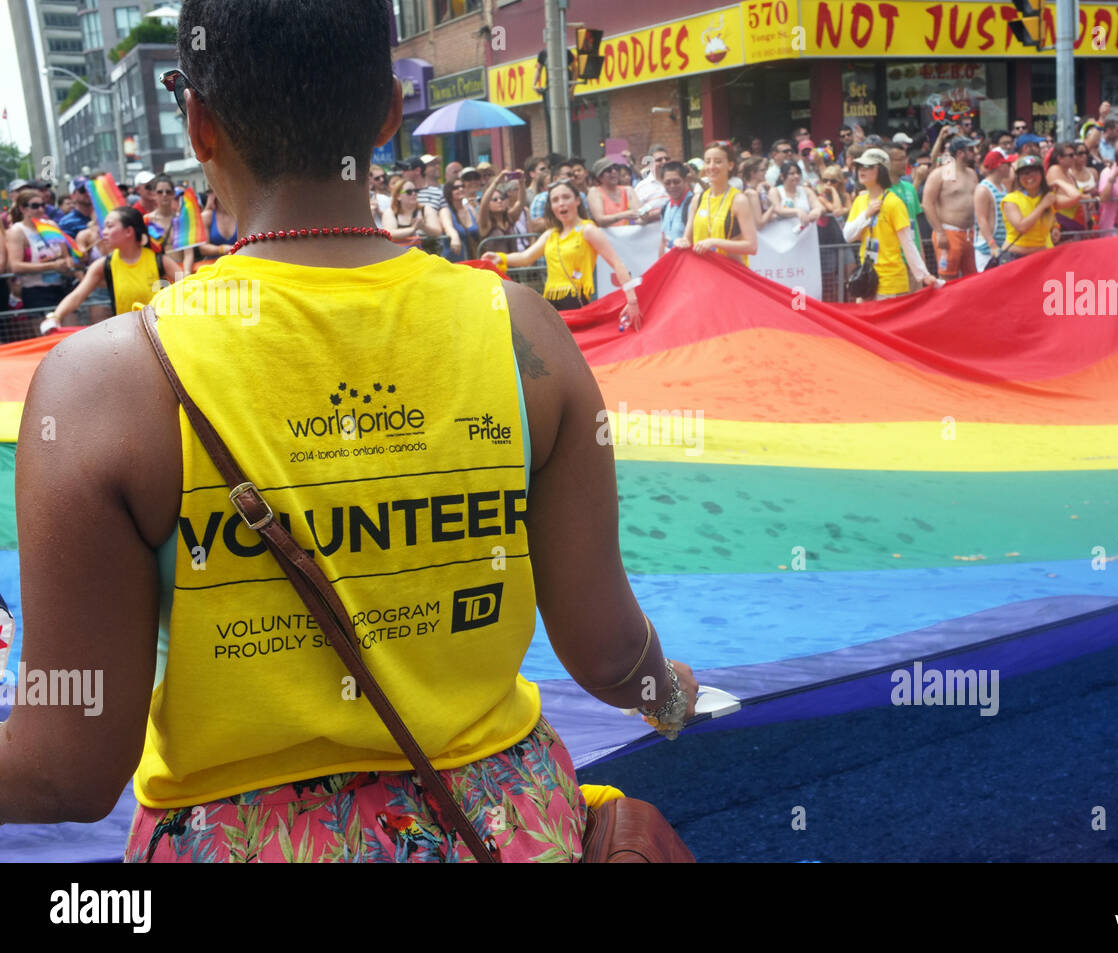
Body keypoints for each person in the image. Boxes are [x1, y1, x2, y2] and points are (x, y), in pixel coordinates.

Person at [4, 0, 699, 863]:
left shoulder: (105, 381)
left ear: (198, 122)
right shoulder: (524, 338)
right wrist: (666, 693)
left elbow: (67, 767)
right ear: (387, 111)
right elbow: (606, 650)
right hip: (505, 832)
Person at [481, 179, 641, 325]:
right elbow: (526, 257)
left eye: (566, 197)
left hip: (576, 302)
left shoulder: (588, 229)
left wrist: (632, 300)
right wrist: (500, 257)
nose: (561, 203)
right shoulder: (551, 234)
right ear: (551, 207)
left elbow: (616, 262)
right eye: (555, 200)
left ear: (577, 201)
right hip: (550, 303)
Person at [44, 206, 184, 329]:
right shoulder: (103, 265)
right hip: (126, 337)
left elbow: (188, 287)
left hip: (159, 335)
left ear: (128, 231)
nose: (103, 232)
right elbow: (77, 295)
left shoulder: (160, 261)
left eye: (110, 226)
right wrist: (55, 316)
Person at [842, 149, 937, 301]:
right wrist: (866, 214)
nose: (862, 170)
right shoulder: (860, 201)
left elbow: (908, 243)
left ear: (881, 171)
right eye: (860, 166)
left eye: (868, 167)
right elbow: (848, 235)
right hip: (866, 281)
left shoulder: (894, 203)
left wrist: (924, 275)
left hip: (891, 284)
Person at [674, 141, 758, 266]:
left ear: (730, 165)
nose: (711, 166)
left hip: (731, 273)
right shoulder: (698, 199)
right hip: (703, 272)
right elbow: (687, 239)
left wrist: (714, 242)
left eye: (718, 161)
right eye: (707, 162)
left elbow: (751, 246)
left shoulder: (738, 200)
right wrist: (680, 241)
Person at [4, 187, 75, 321]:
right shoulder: (17, 231)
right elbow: (15, 266)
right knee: (48, 336)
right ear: (23, 209)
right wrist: (52, 266)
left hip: (62, 287)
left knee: (72, 333)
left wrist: (68, 262)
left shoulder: (51, 225)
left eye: (43, 205)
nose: (41, 210)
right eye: (35, 206)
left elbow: (66, 256)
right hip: (36, 291)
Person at [922, 135, 980, 280]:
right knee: (948, 277)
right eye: (971, 149)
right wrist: (939, 231)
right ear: (960, 153)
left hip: (970, 233)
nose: (975, 152)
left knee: (972, 277)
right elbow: (927, 203)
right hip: (949, 232)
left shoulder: (972, 174)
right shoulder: (940, 174)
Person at [1000, 155, 1057, 259]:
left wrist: (1058, 182)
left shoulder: (1048, 197)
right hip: (1014, 257)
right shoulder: (1011, 199)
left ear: (1042, 174)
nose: (1029, 176)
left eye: (1033, 171)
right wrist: (1042, 205)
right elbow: (1022, 227)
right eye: (1024, 173)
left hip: (1041, 256)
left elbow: (1075, 196)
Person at [145, 176, 196, 275]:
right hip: (156, 274)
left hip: (179, 272)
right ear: (154, 195)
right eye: (160, 192)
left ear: (173, 194)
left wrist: (186, 273)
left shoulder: (182, 220)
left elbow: (188, 253)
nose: (164, 195)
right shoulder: (146, 220)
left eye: (168, 192)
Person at [973, 150, 1011, 272]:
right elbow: (981, 218)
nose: (1010, 168)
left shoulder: (1002, 187)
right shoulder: (983, 189)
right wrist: (992, 244)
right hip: (988, 247)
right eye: (1007, 165)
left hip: (1001, 246)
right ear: (1000, 166)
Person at [477, 170, 528, 254]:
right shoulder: (486, 224)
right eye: (495, 199)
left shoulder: (509, 218)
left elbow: (520, 202)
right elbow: (484, 204)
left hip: (513, 264)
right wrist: (496, 182)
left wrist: (521, 183)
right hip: (494, 265)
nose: (499, 201)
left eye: (502, 198)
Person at [382, 178, 440, 249]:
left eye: (415, 191)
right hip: (401, 255)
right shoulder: (391, 212)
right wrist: (413, 229)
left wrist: (424, 227)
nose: (414, 194)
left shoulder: (426, 209)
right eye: (409, 192)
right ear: (398, 196)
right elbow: (389, 233)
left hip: (427, 254)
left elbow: (437, 232)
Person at [768, 160, 824, 232]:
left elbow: (818, 206)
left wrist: (816, 211)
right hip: (782, 234)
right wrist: (797, 211)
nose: (796, 176)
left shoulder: (806, 190)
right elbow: (778, 209)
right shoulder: (775, 191)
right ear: (782, 176)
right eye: (792, 174)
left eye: (798, 173)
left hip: (806, 233)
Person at [586, 157, 642, 227]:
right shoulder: (595, 192)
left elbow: (639, 213)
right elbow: (600, 220)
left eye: (616, 168)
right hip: (604, 236)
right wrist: (624, 215)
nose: (614, 172)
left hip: (627, 234)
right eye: (609, 170)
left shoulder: (628, 190)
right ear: (599, 177)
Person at [195, 191, 240, 267]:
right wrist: (222, 249)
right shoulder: (206, 216)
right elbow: (203, 248)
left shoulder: (239, 215)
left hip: (237, 265)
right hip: (214, 267)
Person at [658, 160, 693, 256]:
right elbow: (663, 240)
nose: (672, 186)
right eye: (667, 183)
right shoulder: (666, 207)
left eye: (676, 182)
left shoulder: (693, 205)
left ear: (685, 180)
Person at [441, 178, 478, 260]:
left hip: (471, 258)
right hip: (453, 260)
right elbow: (448, 227)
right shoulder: (445, 210)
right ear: (449, 191)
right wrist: (454, 236)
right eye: (456, 188)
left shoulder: (470, 208)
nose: (461, 189)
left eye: (462, 186)